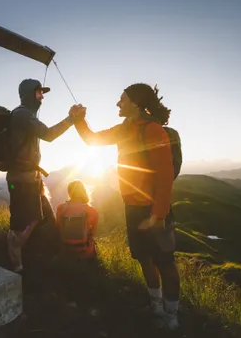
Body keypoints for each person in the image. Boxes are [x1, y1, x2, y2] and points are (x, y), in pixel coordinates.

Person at [70, 83, 180, 329]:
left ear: (136, 103)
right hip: (132, 207)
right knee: (144, 258)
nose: (118, 104)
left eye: (122, 99)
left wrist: (159, 215)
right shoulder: (123, 129)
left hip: (154, 208)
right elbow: (93, 140)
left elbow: (164, 175)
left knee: (165, 263)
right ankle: (156, 306)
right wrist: (79, 120)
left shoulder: (153, 131)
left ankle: (172, 317)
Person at [6, 78, 78, 273]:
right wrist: (71, 119)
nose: (42, 96)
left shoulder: (26, 115)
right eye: (39, 92)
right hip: (22, 179)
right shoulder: (22, 115)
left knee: (44, 216)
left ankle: (49, 257)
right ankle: (16, 258)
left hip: (30, 177)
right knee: (27, 220)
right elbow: (48, 134)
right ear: (30, 94)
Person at [56, 179, 99, 260]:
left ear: (69, 192)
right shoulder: (92, 211)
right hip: (84, 252)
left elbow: (58, 228)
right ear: (84, 192)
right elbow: (93, 233)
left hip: (65, 250)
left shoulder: (61, 208)